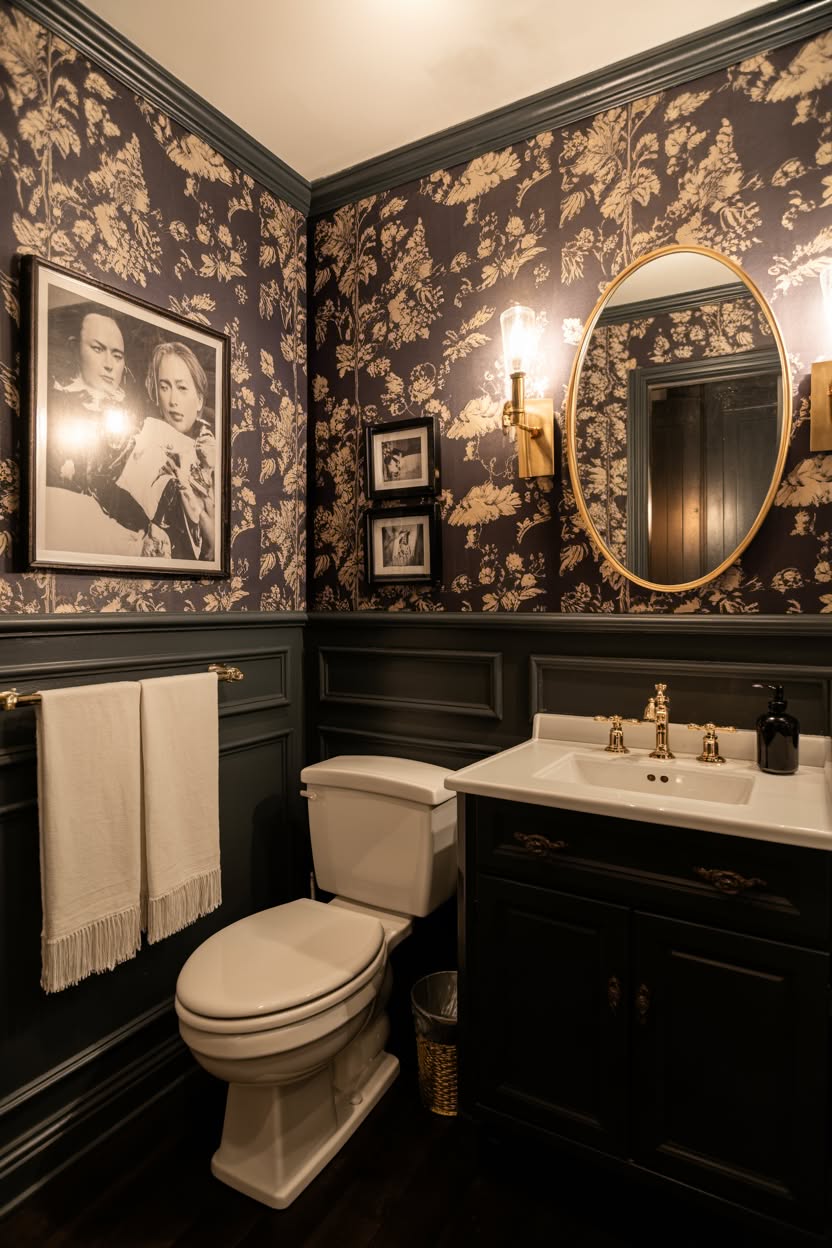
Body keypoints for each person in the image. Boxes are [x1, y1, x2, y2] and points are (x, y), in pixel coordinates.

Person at [46, 304, 149, 536]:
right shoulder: (53, 411)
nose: (109, 365)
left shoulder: (135, 427)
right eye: (97, 349)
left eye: (117, 355)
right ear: (75, 349)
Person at [142, 341, 216, 561]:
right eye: (164, 387)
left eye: (182, 388)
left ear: (199, 399)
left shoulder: (213, 456)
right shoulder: (144, 451)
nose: (173, 401)